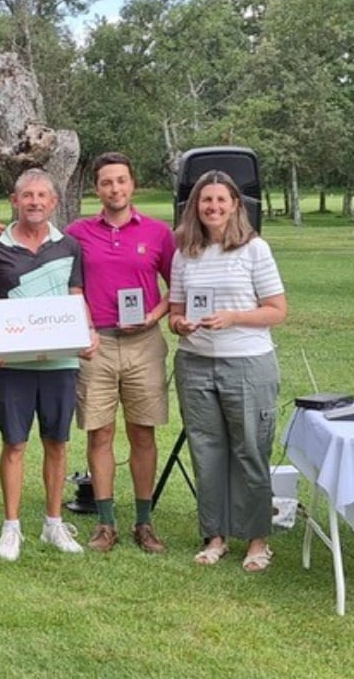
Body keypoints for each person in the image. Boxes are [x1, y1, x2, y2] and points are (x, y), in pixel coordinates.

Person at [0, 169, 97, 562]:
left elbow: (75, 295)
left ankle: (53, 522)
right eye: (27, 195)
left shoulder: (69, 247)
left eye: (43, 195)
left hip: (60, 363)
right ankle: (11, 527)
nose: (35, 202)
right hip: (13, 364)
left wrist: (87, 332)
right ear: (14, 200)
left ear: (54, 202)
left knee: (57, 443)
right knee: (14, 443)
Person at [168, 170, 286, 573]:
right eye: (206, 201)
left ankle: (256, 540)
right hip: (196, 363)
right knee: (206, 450)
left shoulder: (255, 250)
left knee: (250, 449)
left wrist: (234, 316)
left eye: (221, 200)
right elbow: (176, 312)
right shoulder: (185, 252)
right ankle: (215, 536)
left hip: (248, 362)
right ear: (194, 207)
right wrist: (180, 324)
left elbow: (277, 310)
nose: (213, 207)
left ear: (236, 204)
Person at [65, 152, 175, 554]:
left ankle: (144, 523)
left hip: (144, 343)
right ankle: (106, 523)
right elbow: (60, 277)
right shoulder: (77, 232)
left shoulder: (159, 233)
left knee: (142, 432)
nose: (115, 188)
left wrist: (154, 315)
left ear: (133, 184)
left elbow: (177, 286)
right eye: (107, 182)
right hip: (96, 344)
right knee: (101, 432)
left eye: (122, 181)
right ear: (98, 188)